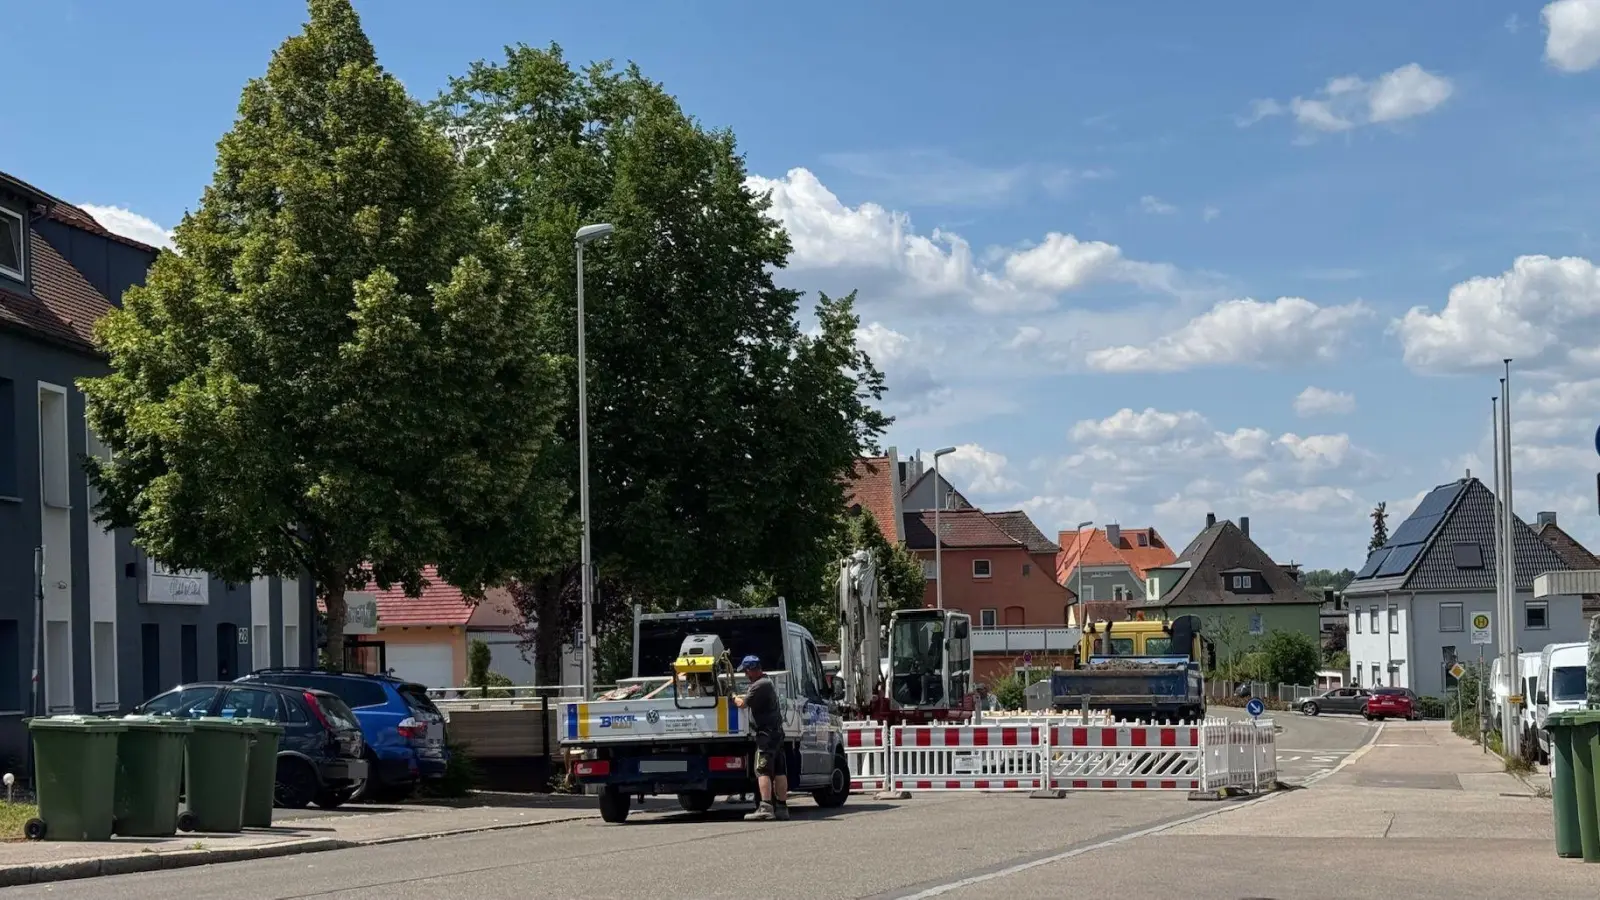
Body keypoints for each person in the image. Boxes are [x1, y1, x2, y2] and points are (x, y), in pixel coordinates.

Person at [732, 654, 788, 821]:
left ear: (751, 670)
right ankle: (782, 807)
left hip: (766, 735)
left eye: (746, 672)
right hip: (776, 734)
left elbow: (742, 704)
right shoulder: (767, 681)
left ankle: (765, 807)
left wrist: (732, 696)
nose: (745, 675)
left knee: (762, 770)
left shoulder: (759, 685)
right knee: (779, 770)